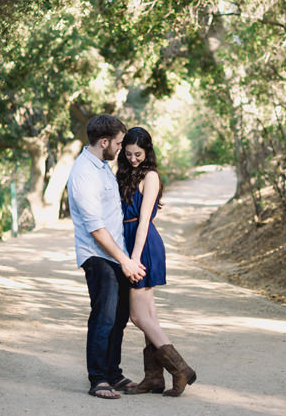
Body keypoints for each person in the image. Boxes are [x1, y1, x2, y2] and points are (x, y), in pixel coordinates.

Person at [67, 114, 146, 399]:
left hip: (116, 254)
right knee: (104, 316)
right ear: (104, 142)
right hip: (97, 255)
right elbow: (96, 228)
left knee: (120, 316)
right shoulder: (83, 174)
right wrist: (124, 261)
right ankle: (98, 378)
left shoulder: (102, 166)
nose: (122, 148)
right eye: (119, 143)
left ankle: (113, 372)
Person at [116, 127, 196, 397]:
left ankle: (180, 368)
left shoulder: (150, 176)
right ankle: (153, 378)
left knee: (137, 316)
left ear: (147, 151)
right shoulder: (126, 174)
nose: (132, 159)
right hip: (131, 243)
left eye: (137, 154)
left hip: (143, 245)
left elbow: (143, 220)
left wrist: (135, 257)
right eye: (127, 154)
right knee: (148, 315)